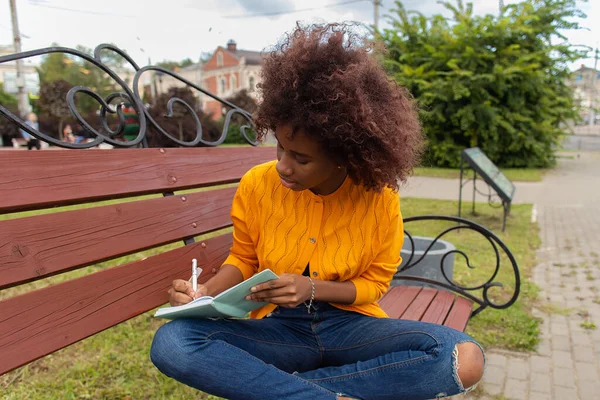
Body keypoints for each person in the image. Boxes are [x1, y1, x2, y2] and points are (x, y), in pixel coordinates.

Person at [150, 24, 485, 400]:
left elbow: (375, 284)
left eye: (301, 158)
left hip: (351, 325)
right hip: (279, 330)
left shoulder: (378, 198)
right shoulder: (257, 185)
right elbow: (243, 257)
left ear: (345, 156)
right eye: (279, 148)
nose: (282, 166)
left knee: (463, 358)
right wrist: (205, 293)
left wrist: (311, 288)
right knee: (173, 343)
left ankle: (289, 393)